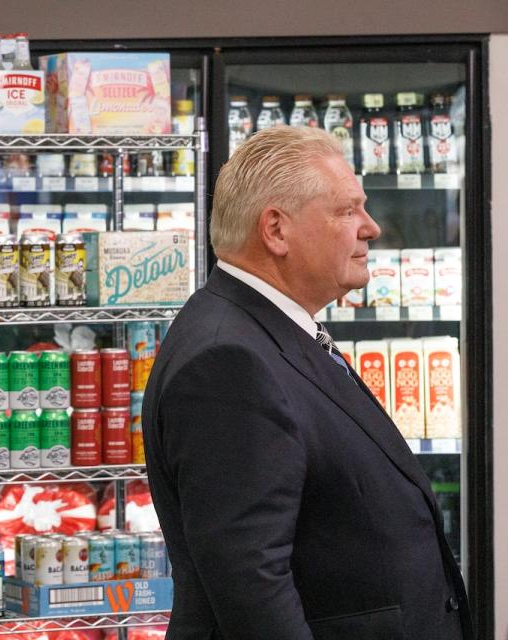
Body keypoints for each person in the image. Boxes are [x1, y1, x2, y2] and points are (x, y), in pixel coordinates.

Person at [142, 126, 471, 639]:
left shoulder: (263, 328)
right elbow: (251, 586)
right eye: (347, 210)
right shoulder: (228, 360)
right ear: (276, 229)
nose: (372, 227)